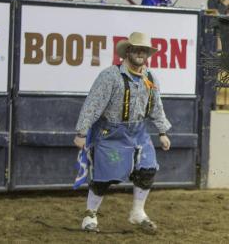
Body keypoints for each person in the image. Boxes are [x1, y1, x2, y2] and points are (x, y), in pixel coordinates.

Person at [73, 31, 171, 233]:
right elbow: (93, 105)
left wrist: (162, 131)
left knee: (148, 169)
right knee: (104, 176)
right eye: (136, 49)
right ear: (128, 51)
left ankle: (137, 213)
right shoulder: (110, 76)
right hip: (111, 132)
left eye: (144, 50)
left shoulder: (151, 78)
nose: (141, 53)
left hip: (138, 132)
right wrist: (81, 133)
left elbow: (156, 107)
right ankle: (90, 216)